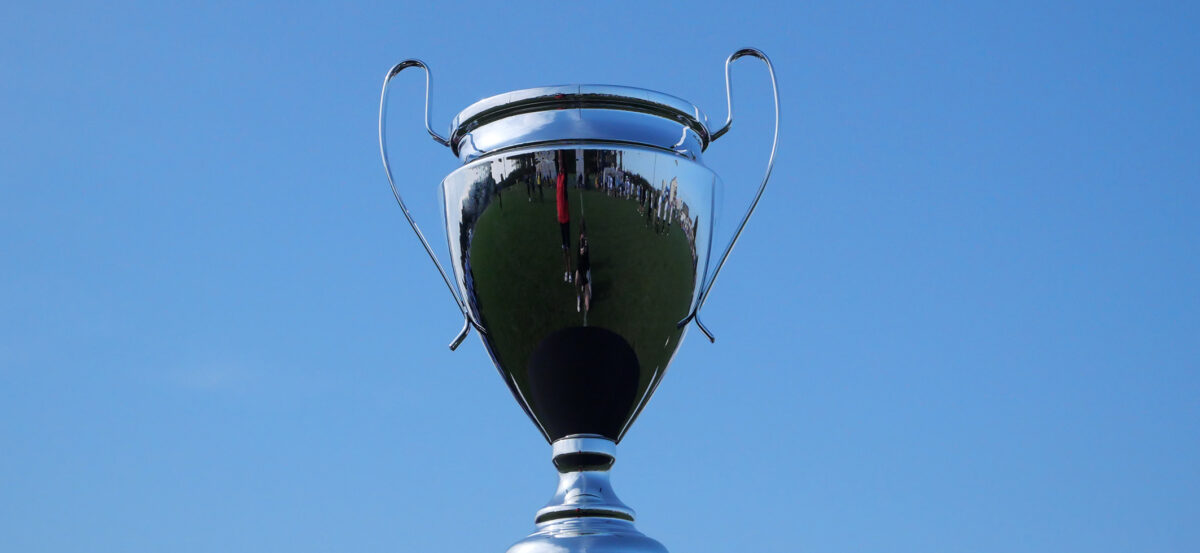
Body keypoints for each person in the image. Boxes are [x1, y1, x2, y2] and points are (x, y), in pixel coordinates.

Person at [556, 152, 572, 283]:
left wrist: (561, 152)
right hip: (560, 220)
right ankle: (566, 271)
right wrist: (558, 154)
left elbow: (562, 162)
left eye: (561, 165)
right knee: (563, 249)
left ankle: (570, 271)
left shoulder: (563, 180)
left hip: (566, 220)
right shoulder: (558, 178)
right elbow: (559, 161)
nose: (559, 165)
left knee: (568, 248)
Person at [575, 221, 591, 313]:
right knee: (576, 281)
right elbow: (579, 255)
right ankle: (578, 298)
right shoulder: (580, 242)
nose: (582, 235)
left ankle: (587, 293)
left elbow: (585, 252)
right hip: (580, 265)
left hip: (585, 267)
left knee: (587, 306)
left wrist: (583, 251)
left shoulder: (585, 242)